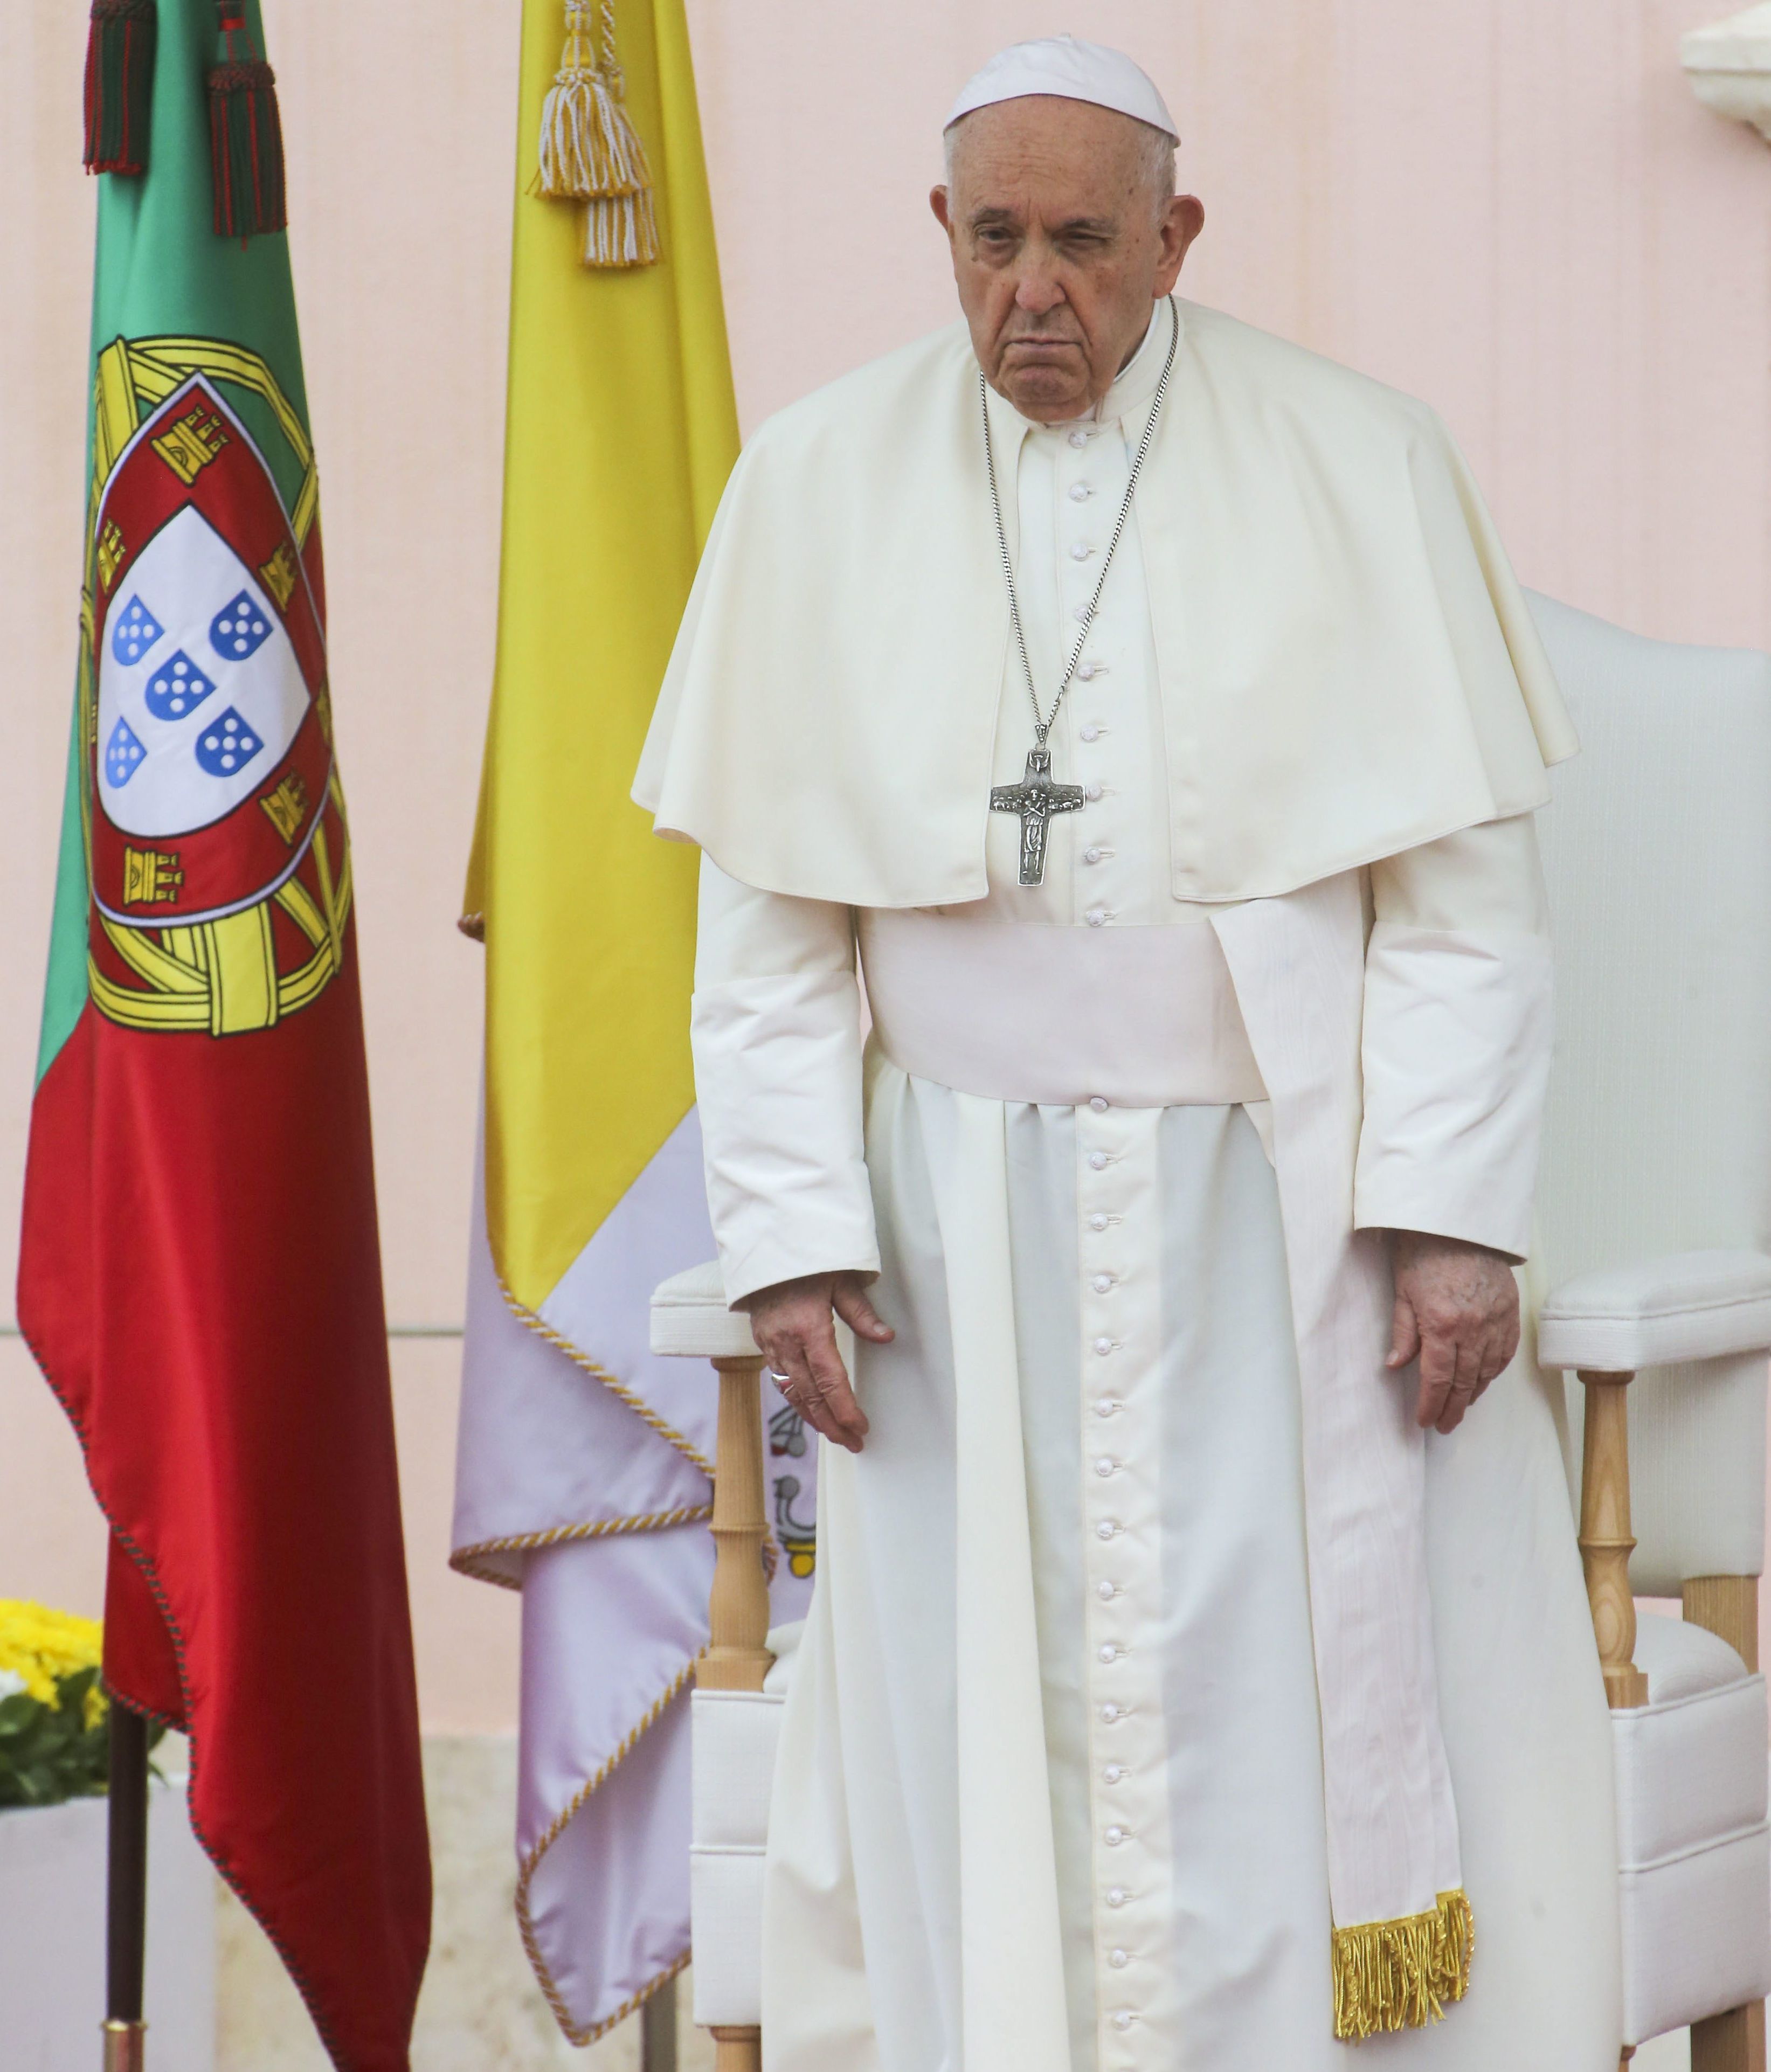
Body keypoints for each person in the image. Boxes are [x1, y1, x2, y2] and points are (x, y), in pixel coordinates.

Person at [635, 34, 1618, 2070]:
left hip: (1284, 1231)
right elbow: (768, 932)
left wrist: (1445, 1220)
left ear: (1177, 238)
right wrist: (798, 1226)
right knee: (978, 1732)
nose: (1034, 294)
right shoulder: (816, 482)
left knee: (1277, 1716)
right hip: (952, 1246)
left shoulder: (1358, 458)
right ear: (940, 231)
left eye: (1085, 243)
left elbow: (1457, 909)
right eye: (992, 242)